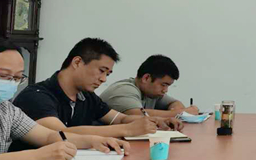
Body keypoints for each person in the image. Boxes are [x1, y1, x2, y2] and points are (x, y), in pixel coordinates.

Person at [0, 38, 128, 160]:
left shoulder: (6, 109)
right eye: (3, 75)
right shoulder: (36, 95)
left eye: (17, 78)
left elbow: (48, 136)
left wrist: (94, 141)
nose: (11, 83)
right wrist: (36, 156)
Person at [13, 38, 157, 140]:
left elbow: (120, 119)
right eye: (101, 71)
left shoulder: (86, 96)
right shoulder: (36, 96)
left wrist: (153, 121)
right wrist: (127, 129)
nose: (104, 79)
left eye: (107, 74)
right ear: (77, 62)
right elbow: (61, 134)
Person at [100, 54, 198, 131]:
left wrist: (177, 111)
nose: (165, 90)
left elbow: (174, 103)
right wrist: (180, 113)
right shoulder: (124, 90)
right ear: (146, 78)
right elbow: (136, 114)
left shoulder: (151, 93)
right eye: (163, 84)